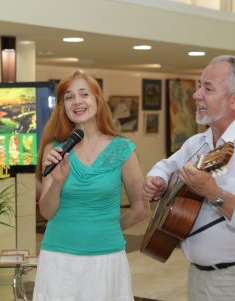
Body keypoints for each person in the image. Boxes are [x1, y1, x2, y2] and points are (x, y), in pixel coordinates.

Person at [143, 55, 235, 300]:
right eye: (199, 86)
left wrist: (214, 193)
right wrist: (157, 181)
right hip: (199, 276)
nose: (196, 94)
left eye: (207, 88)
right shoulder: (198, 143)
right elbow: (165, 167)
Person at [33, 70, 149, 301]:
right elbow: (46, 212)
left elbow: (141, 208)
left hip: (107, 259)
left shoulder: (122, 149)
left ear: (97, 99)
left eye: (84, 94)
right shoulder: (55, 149)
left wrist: (108, 228)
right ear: (62, 106)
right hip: (58, 258)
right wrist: (57, 183)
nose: (77, 101)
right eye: (69, 97)